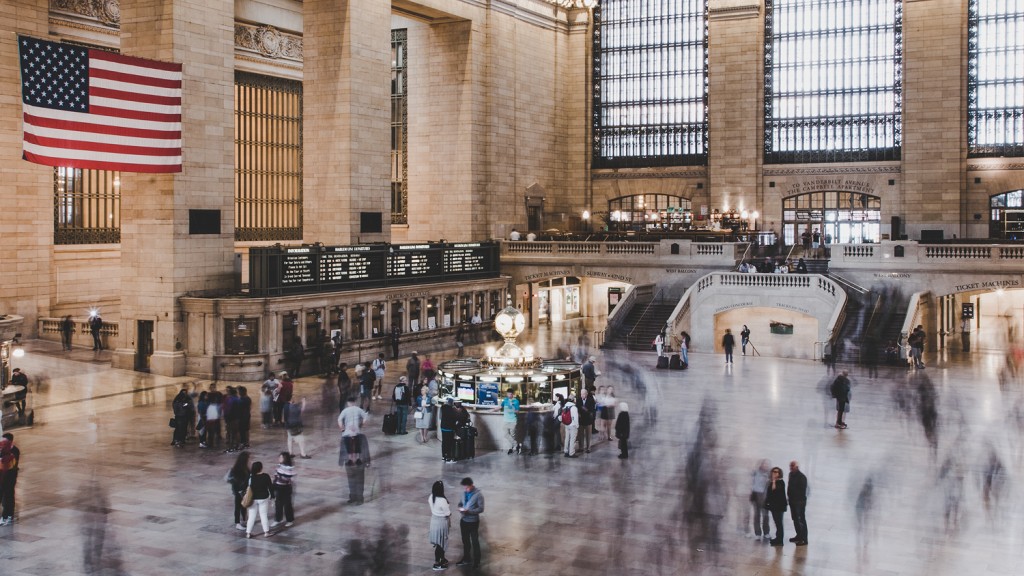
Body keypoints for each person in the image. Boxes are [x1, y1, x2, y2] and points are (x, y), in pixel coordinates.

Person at [456, 477, 485, 568]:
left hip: (473, 521)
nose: (466, 489)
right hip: (464, 520)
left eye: (467, 487)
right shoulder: (464, 493)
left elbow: (481, 509)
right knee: (465, 541)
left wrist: (469, 511)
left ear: (472, 485)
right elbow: (460, 502)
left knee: (474, 541)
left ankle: (477, 560)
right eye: (464, 488)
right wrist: (460, 507)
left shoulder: (478, 495)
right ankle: (466, 558)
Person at [245, 461, 275, 538]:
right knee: (263, 515)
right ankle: (266, 532)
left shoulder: (251, 477)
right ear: (261, 468)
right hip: (263, 498)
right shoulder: (265, 476)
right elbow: (270, 487)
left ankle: (248, 533)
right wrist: (272, 496)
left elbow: (246, 487)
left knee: (251, 516)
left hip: (253, 499)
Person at [338, 397, 368, 467]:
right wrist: (361, 424)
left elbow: (339, 419)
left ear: (348, 403)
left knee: (348, 446)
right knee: (357, 445)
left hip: (347, 432)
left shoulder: (345, 410)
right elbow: (365, 417)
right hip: (357, 431)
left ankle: (350, 460)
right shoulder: (358, 409)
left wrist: (342, 428)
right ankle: (357, 459)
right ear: (354, 402)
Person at [429, 480, 452, 571]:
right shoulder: (442, 500)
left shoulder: (431, 497)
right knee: (441, 543)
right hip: (441, 523)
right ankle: (437, 563)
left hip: (434, 521)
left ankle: (442, 559)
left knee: (438, 543)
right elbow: (447, 513)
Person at [226, 450, 250, 530]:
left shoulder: (246, 469)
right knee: (238, 507)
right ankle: (237, 522)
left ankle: (243, 520)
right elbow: (233, 481)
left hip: (243, 491)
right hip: (238, 491)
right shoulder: (236, 470)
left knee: (244, 506)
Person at [0, 433, 20, 525]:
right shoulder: (2, 449)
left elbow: (11, 464)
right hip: (2, 477)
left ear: (9, 441)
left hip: (9, 478)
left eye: (4, 441)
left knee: (8, 497)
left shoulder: (15, 451)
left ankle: (7, 516)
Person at [765, 466, 788, 546]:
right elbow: (769, 494)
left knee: (779, 523)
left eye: (776, 472)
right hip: (774, 506)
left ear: (779, 474)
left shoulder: (781, 482)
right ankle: (778, 538)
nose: (774, 473)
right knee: (777, 523)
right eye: (773, 471)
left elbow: (775, 490)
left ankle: (780, 540)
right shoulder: (771, 482)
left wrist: (774, 481)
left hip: (779, 507)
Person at [273, 451, 296, 528]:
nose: (279, 458)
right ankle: (278, 519)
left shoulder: (290, 468)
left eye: (281, 457)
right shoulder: (279, 466)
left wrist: (279, 476)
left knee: (287, 504)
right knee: (278, 504)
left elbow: (288, 478)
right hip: (278, 487)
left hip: (286, 488)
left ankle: (290, 520)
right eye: (279, 457)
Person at [788, 461, 809, 545]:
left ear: (797, 467)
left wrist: (795, 498)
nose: (791, 467)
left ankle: (804, 539)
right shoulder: (791, 475)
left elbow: (802, 491)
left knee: (801, 520)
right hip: (792, 501)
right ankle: (799, 535)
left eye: (793, 466)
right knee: (795, 519)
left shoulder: (802, 477)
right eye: (790, 466)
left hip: (799, 503)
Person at [750, 460, 771, 539]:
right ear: (761, 464)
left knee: (765, 515)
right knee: (757, 515)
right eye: (764, 464)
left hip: (765, 496)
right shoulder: (755, 472)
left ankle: (766, 532)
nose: (765, 465)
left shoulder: (769, 474)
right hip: (756, 495)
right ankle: (758, 533)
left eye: (767, 464)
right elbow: (751, 482)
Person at [497, 389, 521, 455]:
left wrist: (512, 405)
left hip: (513, 420)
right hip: (506, 420)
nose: (509, 395)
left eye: (510, 394)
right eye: (508, 394)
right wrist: (492, 410)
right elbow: (500, 407)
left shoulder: (516, 401)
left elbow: (517, 411)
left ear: (513, 394)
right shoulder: (505, 400)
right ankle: (517, 445)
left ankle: (511, 448)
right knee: (506, 434)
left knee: (512, 435)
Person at [439, 398, 459, 462]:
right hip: (450, 428)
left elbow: (440, 417)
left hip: (443, 427)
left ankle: (444, 456)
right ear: (452, 403)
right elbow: (455, 419)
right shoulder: (453, 410)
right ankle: (449, 457)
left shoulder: (442, 408)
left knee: (444, 442)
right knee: (450, 443)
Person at [577, 387, 596, 454]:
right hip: (581, 420)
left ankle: (588, 448)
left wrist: (585, 409)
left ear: (587, 394)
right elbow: (578, 408)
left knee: (588, 435)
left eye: (584, 394)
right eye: (581, 394)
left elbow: (592, 410)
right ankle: (581, 447)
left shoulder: (591, 400)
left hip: (588, 421)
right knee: (580, 435)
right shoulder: (578, 400)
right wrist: (579, 412)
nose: (582, 395)